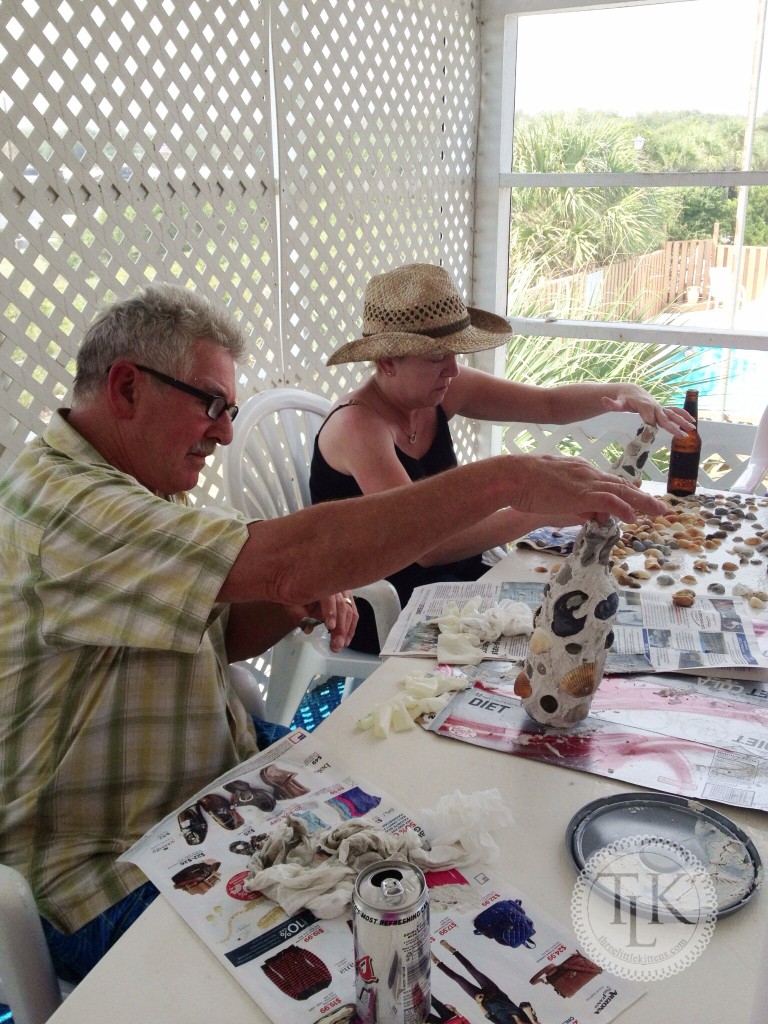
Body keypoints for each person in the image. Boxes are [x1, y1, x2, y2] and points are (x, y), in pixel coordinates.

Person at [0, 283, 665, 984]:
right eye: (211, 405)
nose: (224, 432)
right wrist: (508, 481)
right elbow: (287, 560)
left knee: (427, 848)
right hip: (106, 866)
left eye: (230, 410)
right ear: (128, 387)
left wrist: (290, 602)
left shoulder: (133, 492)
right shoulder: (65, 505)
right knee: (382, 945)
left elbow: (218, 640)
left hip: (213, 791)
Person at [310, 262, 695, 652]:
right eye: (436, 357)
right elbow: (425, 548)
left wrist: (624, 391)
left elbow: (547, 405)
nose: (453, 368)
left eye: (455, 353)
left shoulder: (441, 390)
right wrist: (536, 511)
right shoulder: (359, 427)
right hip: (383, 603)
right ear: (387, 362)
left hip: (462, 580)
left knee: (592, 618)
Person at [432, 942, 540, 1024]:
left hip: (483, 1000)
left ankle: (437, 962)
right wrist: (533, 1022)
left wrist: (478, 1003)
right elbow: (525, 1004)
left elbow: (489, 1016)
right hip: (494, 991)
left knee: (458, 979)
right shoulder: (527, 1017)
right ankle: (453, 950)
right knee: (472, 969)